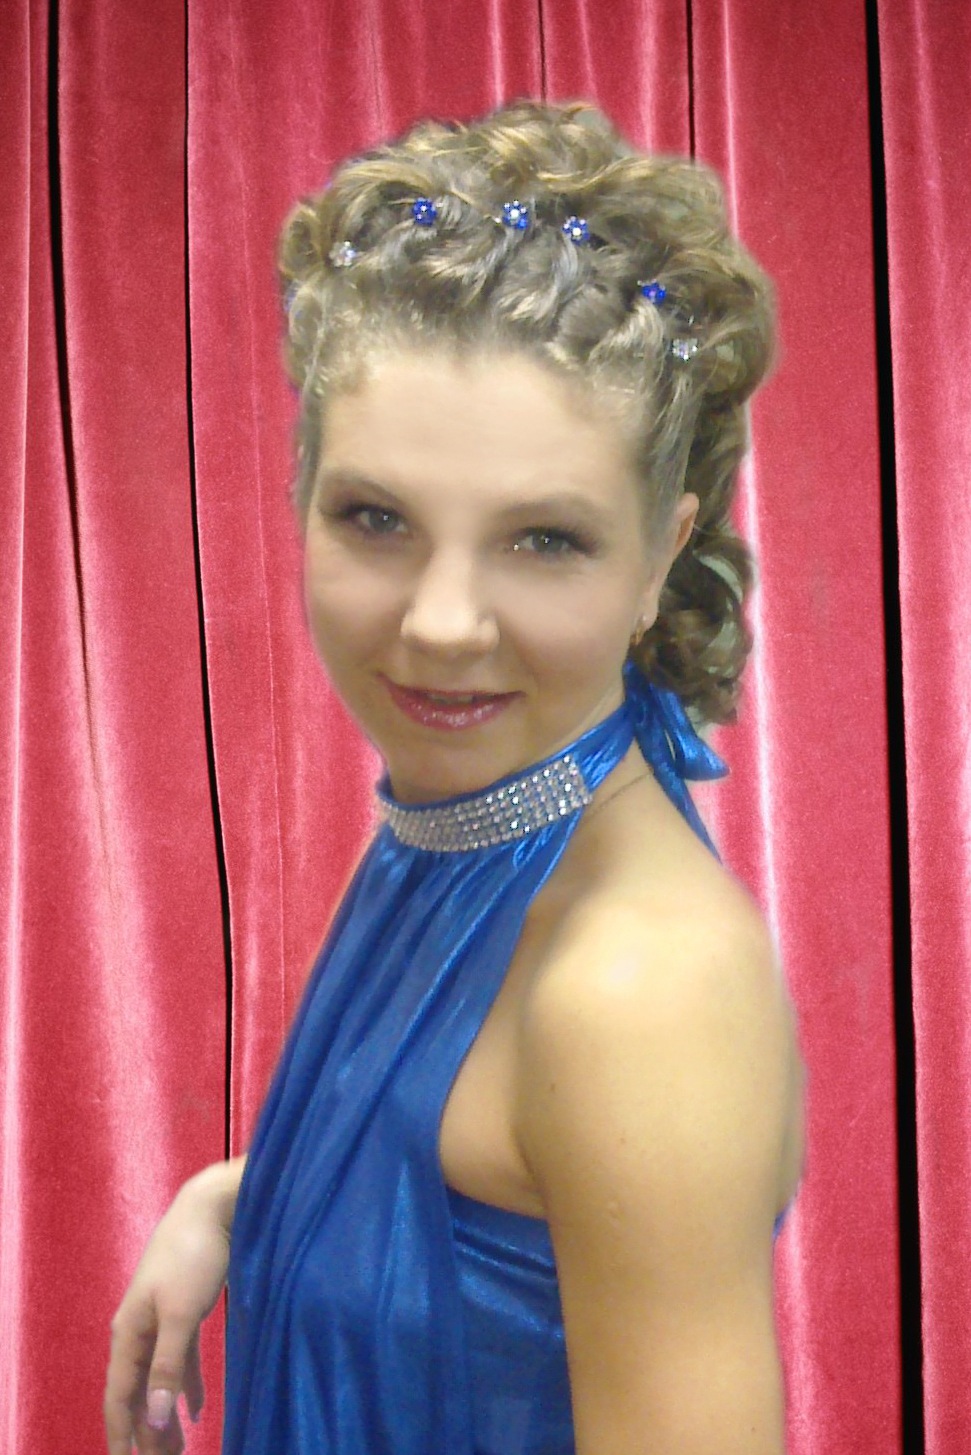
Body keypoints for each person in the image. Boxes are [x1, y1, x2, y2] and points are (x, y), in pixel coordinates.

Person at [104, 100, 804, 1455]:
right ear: (303, 494)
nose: (438, 625)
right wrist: (239, 1202)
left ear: (661, 554)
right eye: (377, 518)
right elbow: (487, 1194)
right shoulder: (464, 830)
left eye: (544, 539)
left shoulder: (636, 991)